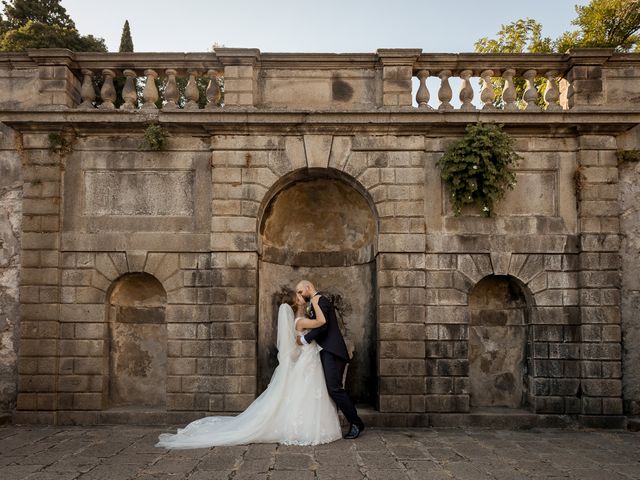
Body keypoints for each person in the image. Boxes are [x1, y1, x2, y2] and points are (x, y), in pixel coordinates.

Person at [155, 292, 341, 449]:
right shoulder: (300, 321)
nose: (302, 298)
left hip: (306, 359)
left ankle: (302, 425)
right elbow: (320, 323)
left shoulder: (298, 320)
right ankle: (302, 427)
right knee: (303, 393)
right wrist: (316, 302)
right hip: (307, 359)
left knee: (301, 394)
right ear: (295, 305)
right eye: (300, 297)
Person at [295, 280, 365, 439]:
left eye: (300, 291)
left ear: (308, 287)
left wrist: (305, 339)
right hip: (326, 351)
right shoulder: (313, 302)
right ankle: (348, 422)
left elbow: (323, 327)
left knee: (334, 389)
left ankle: (356, 423)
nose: (300, 295)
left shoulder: (321, 300)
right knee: (333, 389)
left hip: (332, 351)